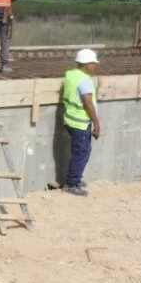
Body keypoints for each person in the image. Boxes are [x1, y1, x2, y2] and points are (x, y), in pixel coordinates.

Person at [61, 48, 101, 196]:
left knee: (82, 151)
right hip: (80, 123)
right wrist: (96, 124)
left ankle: (75, 177)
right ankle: (72, 183)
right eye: (93, 63)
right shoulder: (85, 80)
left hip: (70, 120)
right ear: (86, 64)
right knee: (81, 153)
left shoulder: (71, 75)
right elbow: (88, 103)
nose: (95, 66)